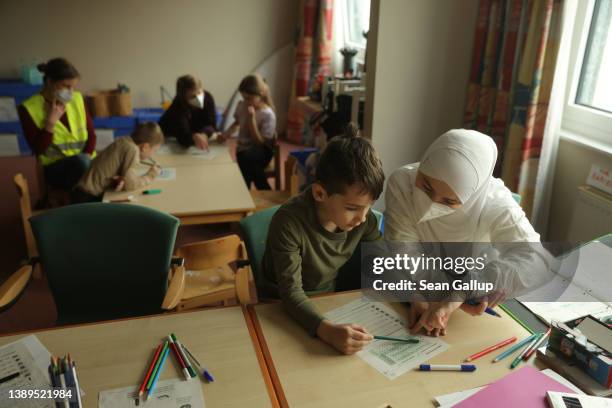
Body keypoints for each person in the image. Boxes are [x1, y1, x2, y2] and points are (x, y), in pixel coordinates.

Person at [384, 129, 550, 337]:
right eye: (426, 186)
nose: (430, 205)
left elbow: (538, 261)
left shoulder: (495, 203)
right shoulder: (402, 182)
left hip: (481, 304)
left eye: (449, 201)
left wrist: (463, 292)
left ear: (473, 196)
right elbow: (405, 254)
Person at [260, 124, 385, 354]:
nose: (362, 217)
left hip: (328, 299)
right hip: (277, 307)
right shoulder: (288, 223)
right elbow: (290, 293)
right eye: (352, 208)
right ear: (320, 193)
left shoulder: (363, 220)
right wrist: (326, 330)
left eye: (369, 207)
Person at [18, 58, 96, 190]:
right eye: (66, 86)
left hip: (86, 161)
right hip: (56, 168)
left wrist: (88, 156)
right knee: (82, 165)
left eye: (73, 87)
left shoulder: (77, 99)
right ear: (50, 82)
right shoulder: (28, 108)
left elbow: (91, 135)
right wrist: (50, 124)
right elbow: (38, 149)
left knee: (124, 147)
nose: (71, 92)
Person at [72, 122, 163, 203]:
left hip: (82, 192)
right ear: (145, 147)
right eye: (154, 150)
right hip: (88, 198)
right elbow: (131, 184)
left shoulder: (124, 141)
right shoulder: (132, 150)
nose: (153, 154)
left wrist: (121, 180)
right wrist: (150, 175)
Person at [218, 74, 276, 190]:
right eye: (244, 98)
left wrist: (252, 120)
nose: (246, 101)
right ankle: (253, 189)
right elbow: (237, 123)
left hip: (262, 152)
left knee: (246, 161)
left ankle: (254, 188)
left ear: (260, 95)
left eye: (249, 98)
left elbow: (260, 143)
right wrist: (225, 135)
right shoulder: (242, 105)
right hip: (243, 150)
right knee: (245, 160)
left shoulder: (268, 114)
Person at [158, 75, 217, 150]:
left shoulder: (208, 98)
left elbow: (211, 124)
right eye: (192, 96)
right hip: (169, 138)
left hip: (195, 134)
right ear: (183, 98)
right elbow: (182, 136)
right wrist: (193, 136)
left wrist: (204, 134)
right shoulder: (178, 105)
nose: (198, 98)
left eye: (199, 93)